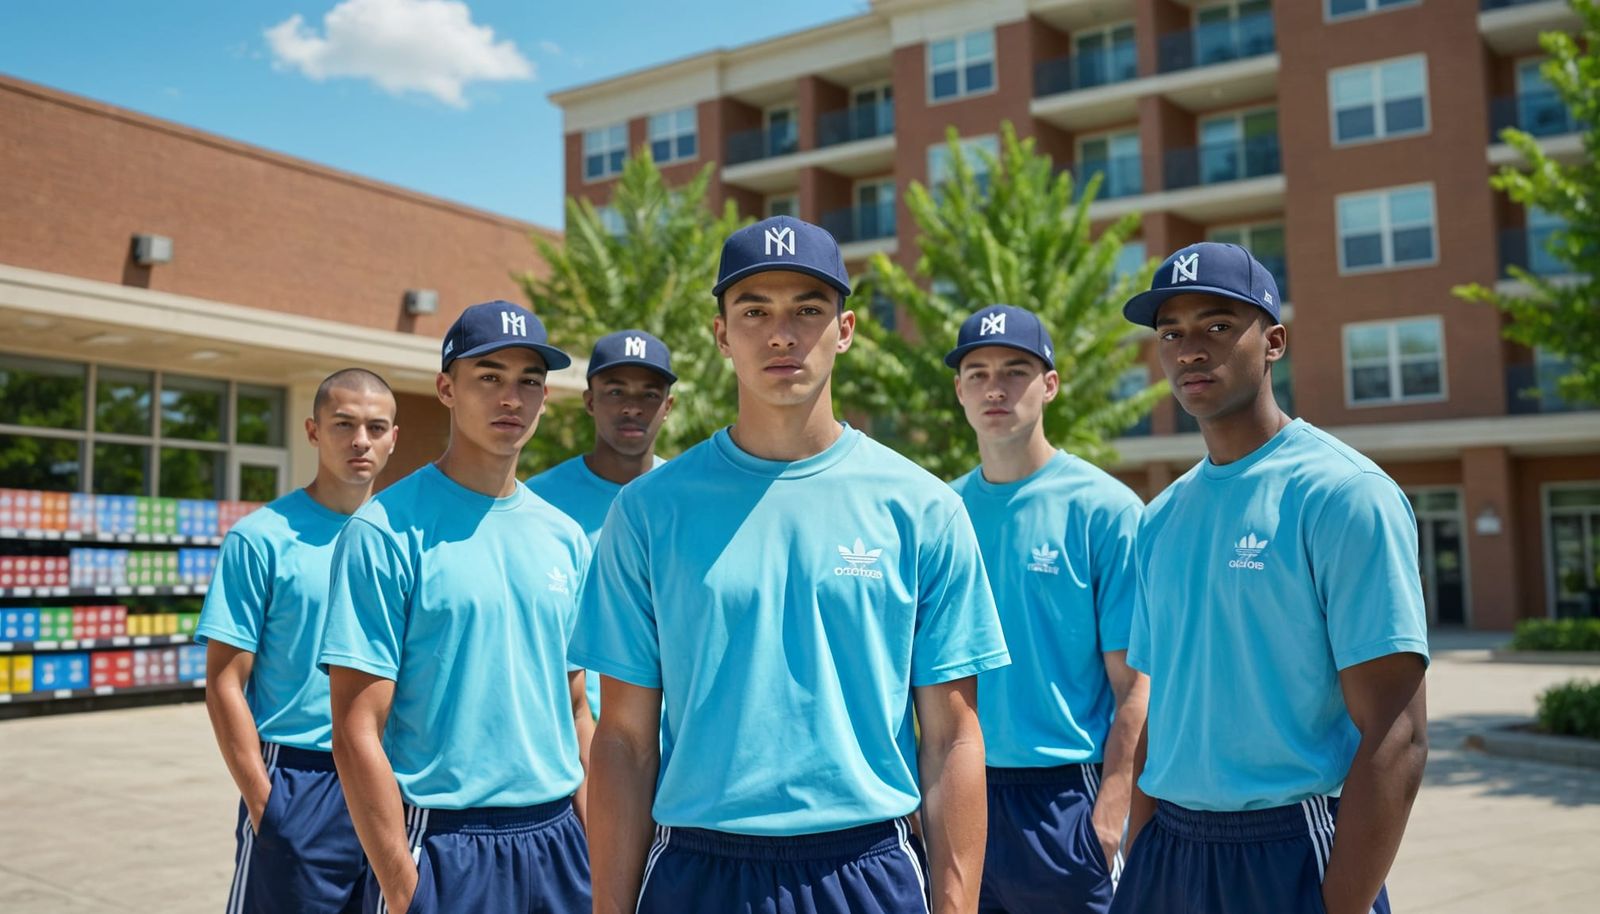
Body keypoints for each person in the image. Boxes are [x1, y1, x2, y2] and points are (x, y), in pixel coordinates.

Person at [572, 215, 1011, 914]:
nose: (782, 333)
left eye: (808, 310)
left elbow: (954, 734)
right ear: (721, 335)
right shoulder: (649, 511)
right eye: (754, 311)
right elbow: (624, 740)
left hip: (866, 866)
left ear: (845, 330)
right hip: (696, 866)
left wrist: (955, 906)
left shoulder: (921, 509)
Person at [1109, 243, 1429, 914]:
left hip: (1289, 847)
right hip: (1168, 849)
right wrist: (1140, 861)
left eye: (1217, 326)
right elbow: (1162, 712)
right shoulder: (1161, 519)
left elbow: (1397, 735)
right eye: (1171, 332)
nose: (1189, 349)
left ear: (1274, 341)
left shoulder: (1344, 495)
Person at [320, 301, 593, 914]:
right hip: (444, 845)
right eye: (489, 377)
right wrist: (401, 883)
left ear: (546, 399)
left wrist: (599, 845)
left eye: (529, 381)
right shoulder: (385, 530)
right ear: (446, 388)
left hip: (560, 843)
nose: (511, 398)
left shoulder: (565, 537)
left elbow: (577, 710)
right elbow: (355, 728)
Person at [945, 305, 1148, 914]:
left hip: (1064, 799)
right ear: (959, 390)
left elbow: (1135, 686)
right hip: (960, 790)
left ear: (1050, 385)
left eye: (1015, 370)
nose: (995, 388)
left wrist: (1107, 820)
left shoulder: (1106, 510)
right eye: (977, 373)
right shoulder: (939, 513)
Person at [199, 367, 399, 914]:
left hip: (396, 777)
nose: (361, 441)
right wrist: (268, 806)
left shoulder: (408, 538)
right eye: (344, 424)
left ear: (393, 438)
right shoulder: (261, 538)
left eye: (376, 427)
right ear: (312, 431)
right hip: (301, 781)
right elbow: (223, 683)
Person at [527, 329, 675, 717]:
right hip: (567, 732)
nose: (632, 407)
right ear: (589, 401)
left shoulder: (688, 501)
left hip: (671, 738)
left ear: (668, 406)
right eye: (615, 391)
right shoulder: (538, 502)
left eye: (649, 393)